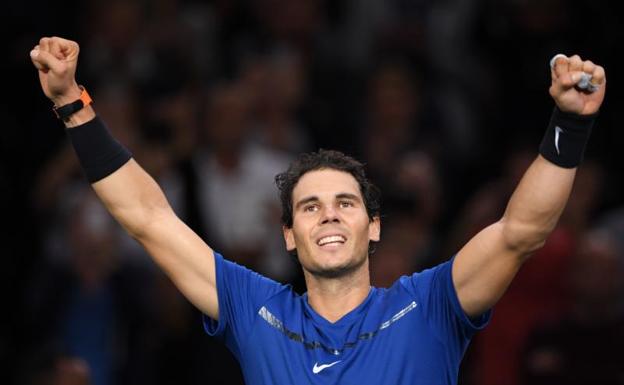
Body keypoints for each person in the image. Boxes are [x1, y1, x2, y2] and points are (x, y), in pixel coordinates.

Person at [30, 36, 606, 384]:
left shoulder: (429, 305)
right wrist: (72, 106)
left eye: (345, 203)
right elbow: (148, 218)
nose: (328, 215)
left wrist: (571, 123)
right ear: (288, 235)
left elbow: (520, 231)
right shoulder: (254, 308)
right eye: (309, 207)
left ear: (373, 226)